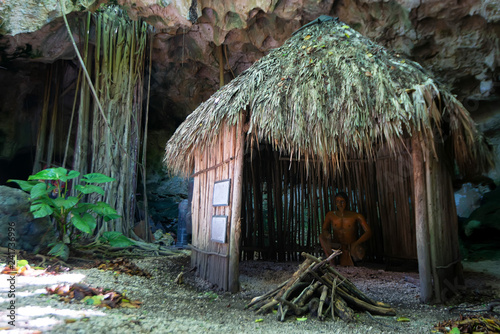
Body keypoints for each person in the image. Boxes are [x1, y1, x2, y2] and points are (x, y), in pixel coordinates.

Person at [319, 192, 372, 266]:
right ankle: (331, 261)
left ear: (346, 202)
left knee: (360, 254)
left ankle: (351, 258)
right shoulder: (330, 215)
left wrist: (356, 243)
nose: (339, 204)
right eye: (337, 202)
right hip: (337, 245)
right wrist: (326, 234)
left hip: (351, 245)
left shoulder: (356, 216)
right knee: (321, 237)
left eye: (342, 201)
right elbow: (324, 229)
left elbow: (369, 232)